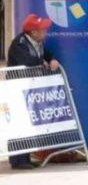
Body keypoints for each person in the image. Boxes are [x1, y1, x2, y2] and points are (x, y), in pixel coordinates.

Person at [7, 14, 60, 169]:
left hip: (30, 89)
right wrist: (41, 62)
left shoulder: (38, 42)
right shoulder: (19, 43)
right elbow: (27, 61)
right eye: (42, 29)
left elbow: (47, 54)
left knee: (27, 123)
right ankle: (18, 160)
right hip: (17, 88)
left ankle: (25, 158)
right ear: (34, 32)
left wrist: (51, 59)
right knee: (19, 124)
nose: (45, 32)